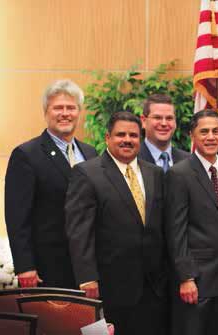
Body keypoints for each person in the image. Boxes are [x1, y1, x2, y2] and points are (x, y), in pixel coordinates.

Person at [65, 111, 168, 335]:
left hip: (153, 287)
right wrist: (87, 278)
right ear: (107, 138)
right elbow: (79, 231)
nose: (127, 140)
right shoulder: (86, 173)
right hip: (109, 287)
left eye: (133, 135)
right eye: (120, 134)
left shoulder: (155, 173)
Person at [5, 79, 97, 289]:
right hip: (48, 268)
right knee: (53, 323)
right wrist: (24, 266)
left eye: (71, 108)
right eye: (58, 107)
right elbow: (17, 217)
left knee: (89, 323)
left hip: (89, 269)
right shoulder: (26, 155)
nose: (65, 113)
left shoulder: (91, 153)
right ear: (46, 112)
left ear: (79, 112)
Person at [165, 109, 218, 335]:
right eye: (204, 131)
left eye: (216, 131)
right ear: (192, 136)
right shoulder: (179, 174)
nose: (211, 137)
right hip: (197, 282)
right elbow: (175, 231)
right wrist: (186, 277)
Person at [139, 93, 190, 170]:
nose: (164, 123)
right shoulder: (132, 159)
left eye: (169, 118)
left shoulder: (189, 161)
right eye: (157, 118)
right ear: (143, 121)